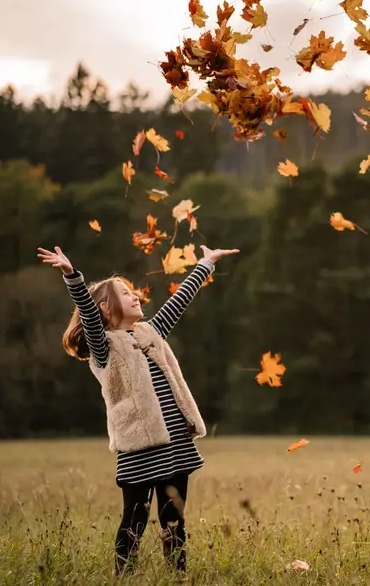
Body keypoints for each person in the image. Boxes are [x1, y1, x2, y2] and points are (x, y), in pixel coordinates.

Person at [37, 244, 239, 576]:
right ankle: (125, 576)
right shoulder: (104, 347)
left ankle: (177, 576)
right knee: (135, 518)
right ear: (105, 308)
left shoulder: (151, 332)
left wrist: (205, 264)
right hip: (140, 448)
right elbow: (87, 312)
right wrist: (72, 275)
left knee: (174, 520)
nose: (135, 297)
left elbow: (179, 301)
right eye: (126, 293)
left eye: (133, 292)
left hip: (176, 442)